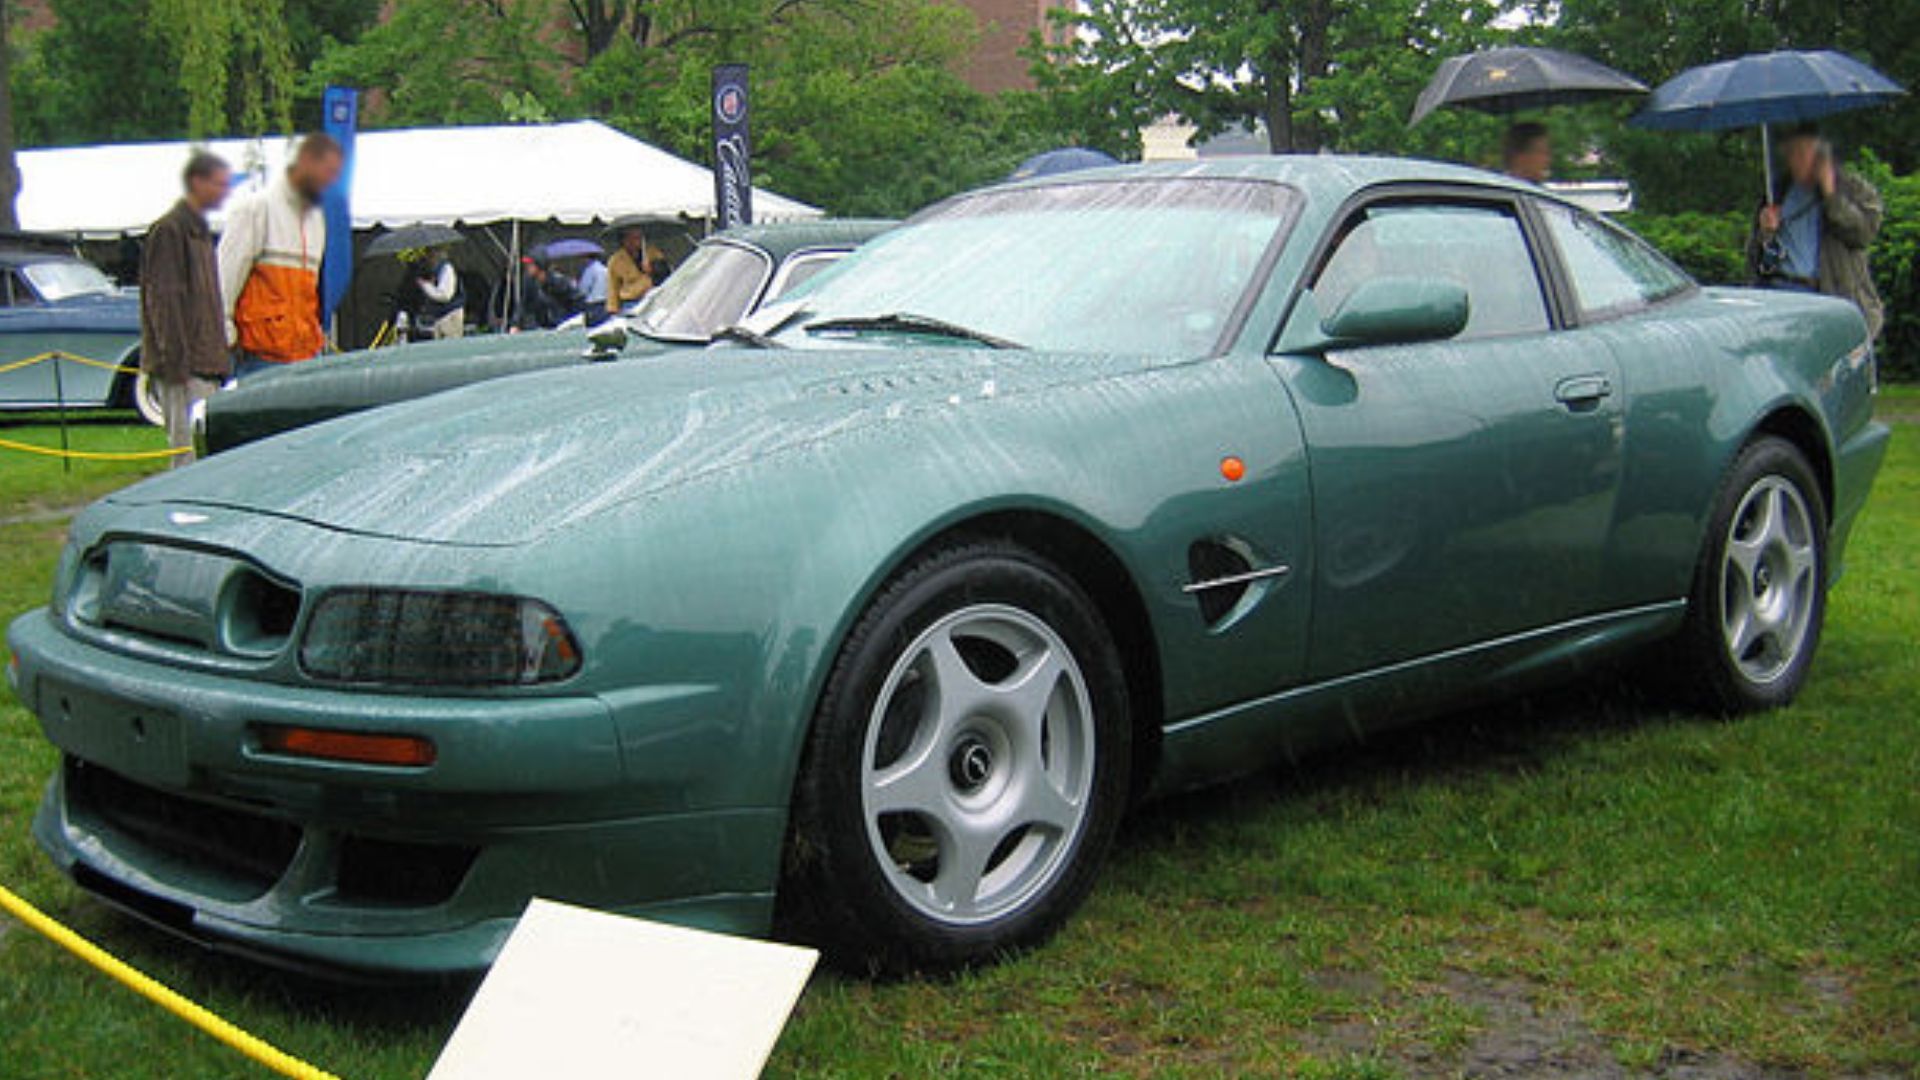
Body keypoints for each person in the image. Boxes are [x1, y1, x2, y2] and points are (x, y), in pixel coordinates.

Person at [217, 133, 345, 378]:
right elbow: (223, 281)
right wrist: (226, 338)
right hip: (260, 357)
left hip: (306, 354)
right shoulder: (255, 210)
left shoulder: (316, 221)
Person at [139, 151, 232, 466]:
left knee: (208, 457)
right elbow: (164, 302)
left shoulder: (200, 233)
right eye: (218, 184)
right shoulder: (170, 231)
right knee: (186, 459)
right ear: (197, 182)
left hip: (206, 364)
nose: (224, 192)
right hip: (184, 368)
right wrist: (176, 363)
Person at [1748, 127, 1885, 339]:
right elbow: (1756, 261)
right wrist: (1765, 234)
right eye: (1792, 153)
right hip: (1781, 294)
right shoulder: (1776, 192)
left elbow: (1862, 234)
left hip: (1830, 296)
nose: (1798, 160)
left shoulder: (1854, 189)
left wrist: (1831, 195)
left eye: (1804, 153)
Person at [605, 226, 661, 313]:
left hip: (651, 298)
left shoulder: (652, 253)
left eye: (637, 238)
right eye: (629, 238)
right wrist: (613, 309)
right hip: (631, 301)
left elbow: (665, 274)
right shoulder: (616, 260)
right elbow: (613, 286)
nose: (633, 242)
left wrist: (652, 268)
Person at [414, 246, 466, 339]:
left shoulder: (446, 269)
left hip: (450, 316)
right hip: (441, 317)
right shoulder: (437, 271)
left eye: (429, 254)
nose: (427, 258)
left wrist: (425, 285)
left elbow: (444, 296)